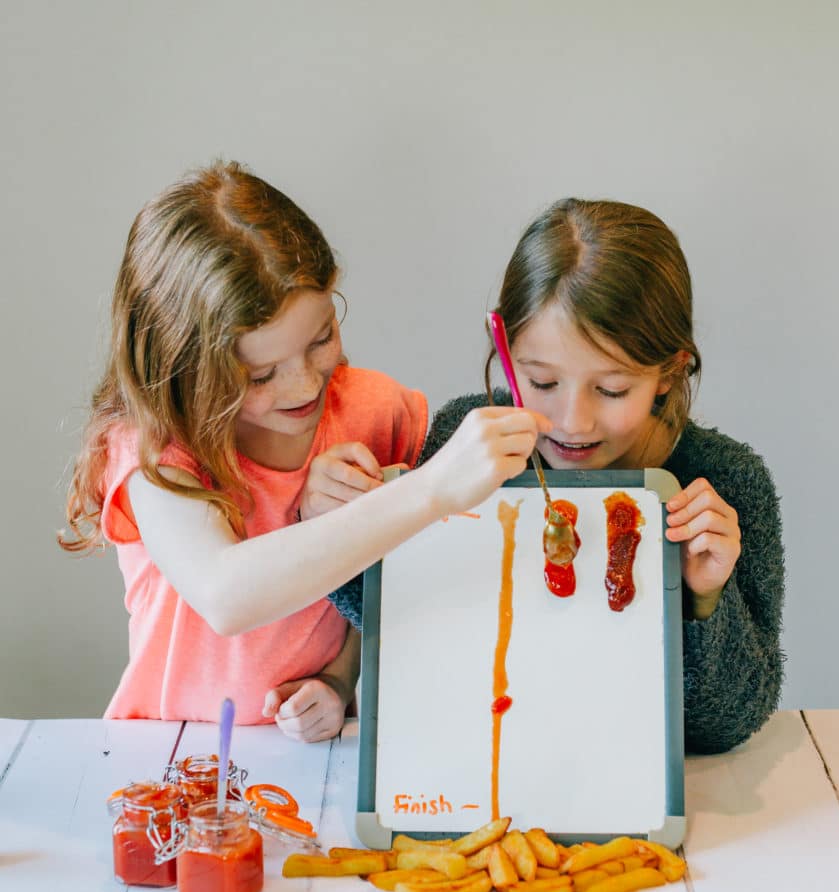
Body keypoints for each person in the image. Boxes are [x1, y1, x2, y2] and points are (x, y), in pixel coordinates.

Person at [59, 160, 549, 742]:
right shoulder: (153, 447)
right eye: (261, 374)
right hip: (166, 753)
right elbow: (227, 594)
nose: (306, 386)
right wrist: (429, 490)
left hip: (317, 756)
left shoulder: (374, 411)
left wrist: (341, 680)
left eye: (321, 340)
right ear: (182, 371)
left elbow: (401, 582)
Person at [330, 198, 784, 754]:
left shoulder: (722, 483)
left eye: (612, 390)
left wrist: (705, 598)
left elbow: (725, 727)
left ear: (668, 372)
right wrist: (338, 527)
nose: (573, 421)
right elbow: (402, 632)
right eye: (542, 382)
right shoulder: (462, 440)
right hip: (487, 768)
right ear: (506, 351)